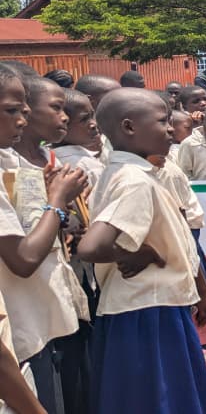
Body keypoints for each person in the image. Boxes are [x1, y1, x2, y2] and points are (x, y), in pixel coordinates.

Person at [77, 88, 206, 413]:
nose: (171, 129)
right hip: (149, 313)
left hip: (143, 307)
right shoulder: (135, 181)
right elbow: (91, 245)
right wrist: (136, 254)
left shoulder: (129, 174)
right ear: (129, 128)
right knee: (163, 400)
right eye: (163, 121)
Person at [0, 70, 89, 414]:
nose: (22, 119)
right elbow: (22, 259)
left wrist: (57, 209)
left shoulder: (14, 164)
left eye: (24, 109)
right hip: (23, 328)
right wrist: (57, 200)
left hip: (45, 320)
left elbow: (36, 230)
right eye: (12, 110)